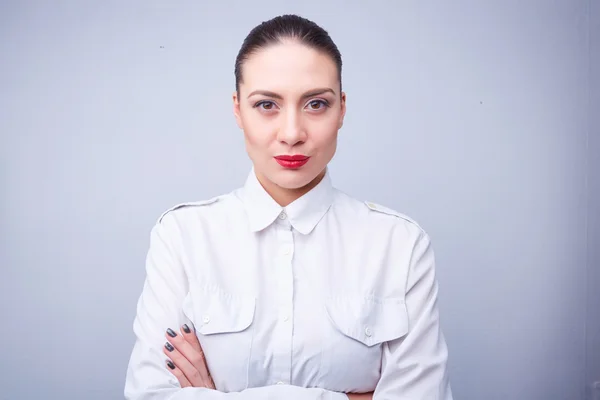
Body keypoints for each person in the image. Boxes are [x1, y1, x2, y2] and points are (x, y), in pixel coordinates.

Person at [124, 14, 452, 400]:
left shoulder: (400, 245)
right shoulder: (182, 237)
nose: (293, 133)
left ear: (342, 109)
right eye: (266, 104)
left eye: (316, 104)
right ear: (237, 110)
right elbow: (150, 396)